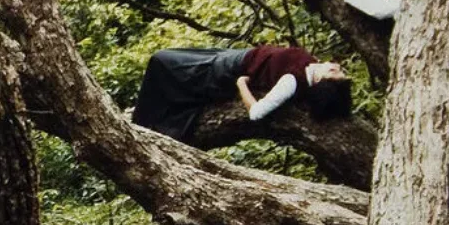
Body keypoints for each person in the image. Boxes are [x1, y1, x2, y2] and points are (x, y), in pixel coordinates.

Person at [131, 45, 353, 142]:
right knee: (169, 62)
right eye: (338, 69)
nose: (335, 66)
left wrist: (241, 84)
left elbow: (256, 113)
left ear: (321, 81)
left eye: (334, 72)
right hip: (234, 56)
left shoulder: (291, 83)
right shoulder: (311, 65)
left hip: (228, 69)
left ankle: (141, 121)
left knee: (161, 60)